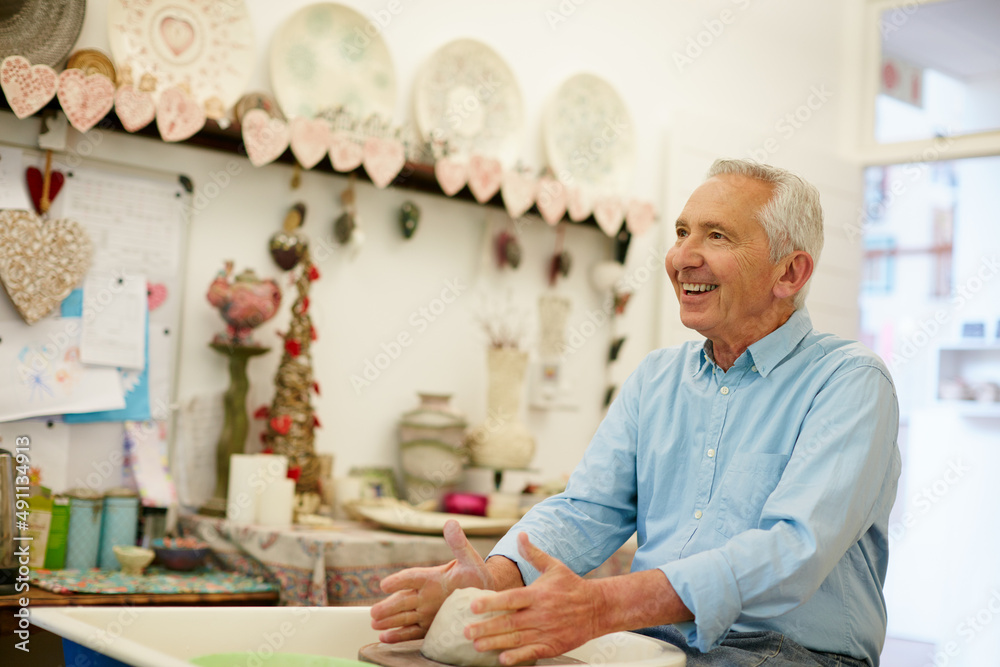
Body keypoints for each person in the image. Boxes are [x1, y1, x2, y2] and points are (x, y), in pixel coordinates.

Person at [370, 159, 901, 667]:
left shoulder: (850, 382)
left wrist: (605, 606)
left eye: (716, 236)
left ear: (789, 272)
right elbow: (587, 510)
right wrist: (496, 579)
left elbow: (792, 553)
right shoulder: (657, 378)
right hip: (652, 640)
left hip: (793, 653)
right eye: (681, 232)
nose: (680, 258)